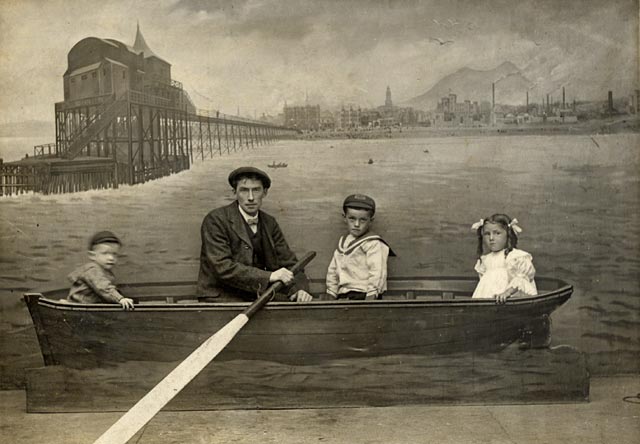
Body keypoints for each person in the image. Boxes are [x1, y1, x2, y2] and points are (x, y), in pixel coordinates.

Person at [197, 166, 313, 302]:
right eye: (244, 190)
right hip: (222, 297)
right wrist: (269, 277)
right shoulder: (215, 220)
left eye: (256, 190)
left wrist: (299, 290)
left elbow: (291, 264)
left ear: (265, 192)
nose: (250, 198)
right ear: (234, 192)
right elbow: (222, 267)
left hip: (258, 297)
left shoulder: (270, 223)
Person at [325, 194, 394, 300]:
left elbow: (377, 271)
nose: (356, 224)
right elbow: (333, 270)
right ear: (344, 218)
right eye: (352, 219)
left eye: (362, 220)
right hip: (343, 295)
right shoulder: (343, 242)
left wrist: (371, 296)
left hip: (364, 295)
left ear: (371, 220)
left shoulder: (373, 243)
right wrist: (331, 293)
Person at [470, 214, 537, 303]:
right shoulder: (486, 260)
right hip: (487, 300)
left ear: (508, 235)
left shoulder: (515, 257)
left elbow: (521, 280)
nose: (491, 238)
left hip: (506, 300)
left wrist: (506, 293)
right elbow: (484, 285)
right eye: (487, 234)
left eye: (497, 233)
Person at [67, 231, 134, 310]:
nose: (111, 258)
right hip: (80, 306)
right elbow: (104, 288)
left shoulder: (104, 270)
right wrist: (120, 299)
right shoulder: (93, 270)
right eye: (105, 253)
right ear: (92, 256)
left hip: (90, 306)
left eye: (114, 254)